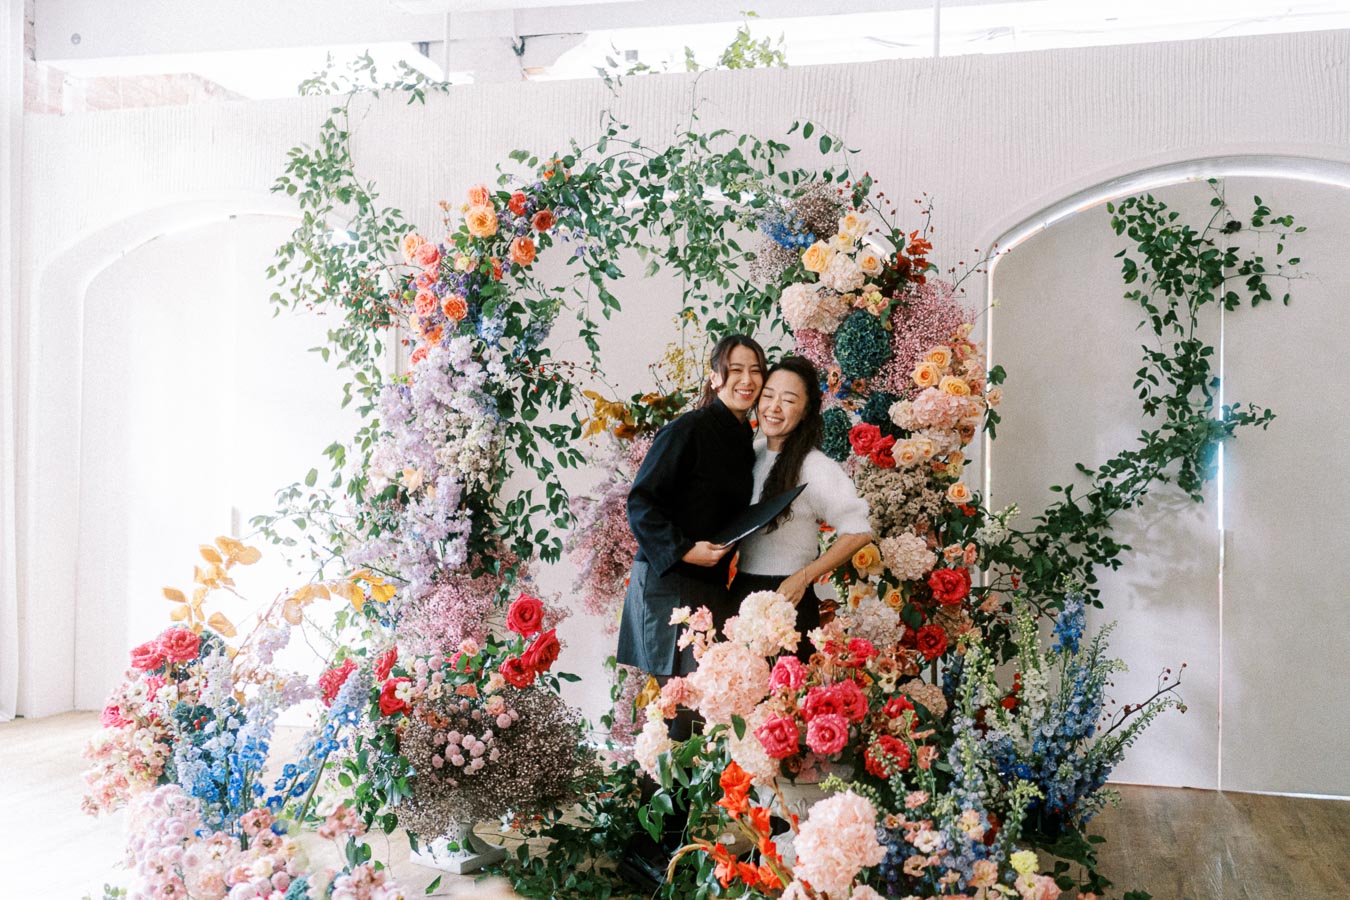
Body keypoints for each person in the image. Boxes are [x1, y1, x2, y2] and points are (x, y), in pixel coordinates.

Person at [617, 333, 767, 682]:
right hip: (671, 581)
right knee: (683, 707)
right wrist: (685, 550)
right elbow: (641, 503)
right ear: (715, 377)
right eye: (735, 370)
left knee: (707, 701)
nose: (747, 380)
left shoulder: (746, 439)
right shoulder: (688, 429)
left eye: (756, 371)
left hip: (709, 584)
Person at [733, 355, 873, 659]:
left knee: (786, 701)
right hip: (741, 596)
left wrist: (804, 577)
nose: (774, 407)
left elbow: (859, 531)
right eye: (768, 396)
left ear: (806, 410)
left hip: (789, 599)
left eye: (788, 400)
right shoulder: (749, 455)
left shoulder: (815, 466)